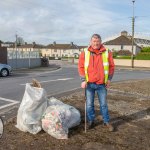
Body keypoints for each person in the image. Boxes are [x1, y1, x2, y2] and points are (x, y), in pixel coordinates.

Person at [78, 34, 115, 132]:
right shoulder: (85, 53)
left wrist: (109, 79)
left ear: (100, 42)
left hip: (102, 84)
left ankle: (106, 121)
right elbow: (81, 67)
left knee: (103, 104)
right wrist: (83, 80)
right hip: (89, 84)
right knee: (89, 104)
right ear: (91, 42)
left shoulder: (107, 52)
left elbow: (111, 66)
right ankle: (91, 121)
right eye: (94, 41)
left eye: (97, 41)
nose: (96, 43)